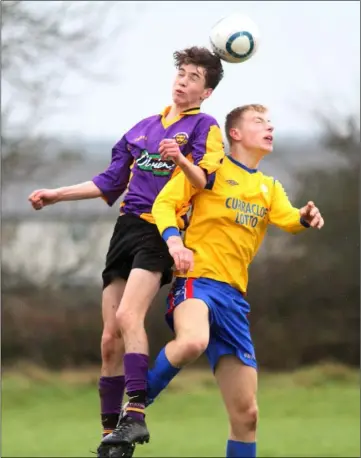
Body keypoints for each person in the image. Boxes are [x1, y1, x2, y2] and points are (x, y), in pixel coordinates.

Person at [28, 46, 225, 457]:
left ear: (206, 92)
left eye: (193, 78)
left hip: (160, 232)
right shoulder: (142, 128)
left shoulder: (205, 126)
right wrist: (56, 194)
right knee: (107, 339)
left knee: (128, 315)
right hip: (125, 229)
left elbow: (204, 180)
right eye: (182, 73)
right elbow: (108, 181)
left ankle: (135, 413)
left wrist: (181, 160)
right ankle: (109, 438)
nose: (183, 81)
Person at [118, 103, 324, 458]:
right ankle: (133, 411)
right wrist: (174, 240)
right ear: (235, 133)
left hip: (233, 299)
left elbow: (289, 219)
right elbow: (165, 204)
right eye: (259, 122)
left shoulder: (268, 187)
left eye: (270, 122)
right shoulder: (209, 170)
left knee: (247, 417)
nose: (269, 127)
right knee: (193, 340)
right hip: (197, 281)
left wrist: (305, 217)